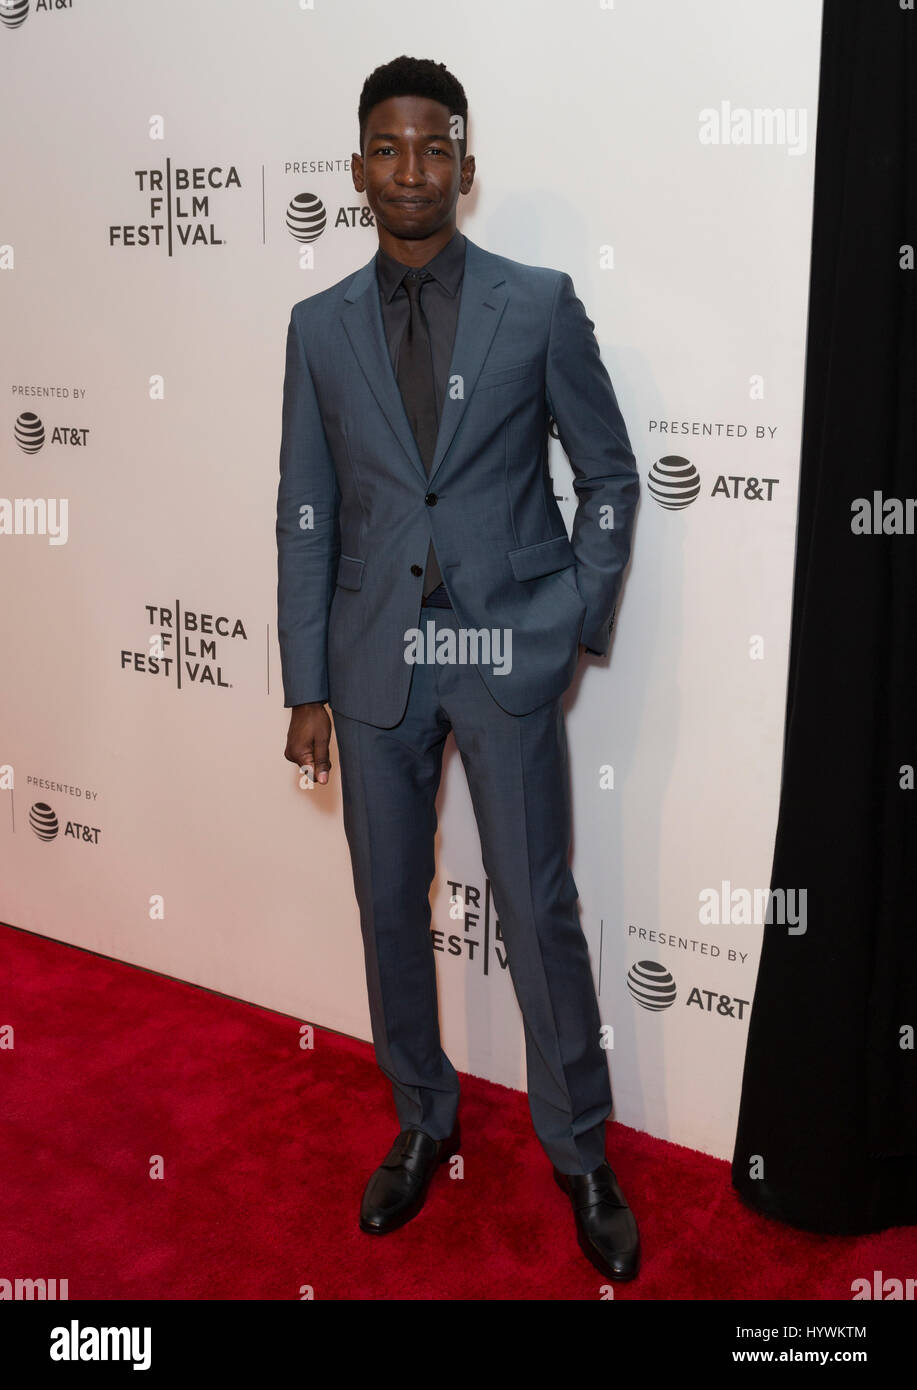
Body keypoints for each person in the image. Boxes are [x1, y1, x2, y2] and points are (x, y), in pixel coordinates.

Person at [276, 55, 640, 1282]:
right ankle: (421, 1119)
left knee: (535, 913)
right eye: (387, 147)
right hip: (372, 662)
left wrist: (569, 617)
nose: (411, 168)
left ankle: (580, 1150)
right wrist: (303, 680)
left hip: (500, 656)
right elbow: (306, 511)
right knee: (388, 908)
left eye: (434, 147)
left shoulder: (534, 304)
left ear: (465, 166)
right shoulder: (316, 328)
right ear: (359, 168)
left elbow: (607, 475)